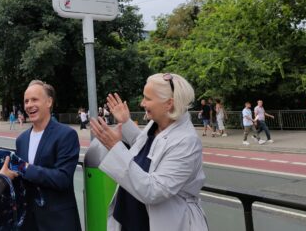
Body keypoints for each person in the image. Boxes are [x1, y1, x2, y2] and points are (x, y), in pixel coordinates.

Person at [90, 73, 208, 231]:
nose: (142, 103)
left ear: (169, 104)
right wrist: (125, 122)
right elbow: (147, 149)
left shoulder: (186, 142)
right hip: (132, 220)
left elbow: (153, 191)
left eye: (148, 98)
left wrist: (114, 148)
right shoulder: (158, 125)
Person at [15, 80, 81, 231]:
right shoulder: (21, 140)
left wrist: (25, 168)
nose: (29, 105)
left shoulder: (66, 135)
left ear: (49, 102)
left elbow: (63, 178)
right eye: (26, 101)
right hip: (29, 223)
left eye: (34, 99)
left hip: (58, 223)